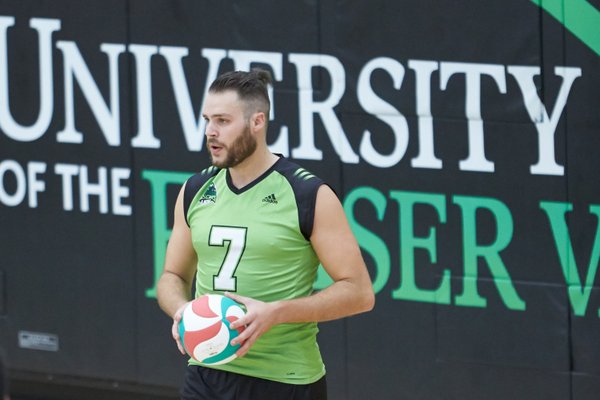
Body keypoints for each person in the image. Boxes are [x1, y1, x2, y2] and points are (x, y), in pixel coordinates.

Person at [156, 69, 375, 400]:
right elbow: (171, 276)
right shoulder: (196, 189)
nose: (210, 132)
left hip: (284, 380)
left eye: (222, 121)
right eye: (207, 120)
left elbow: (359, 293)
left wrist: (274, 313)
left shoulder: (306, 193)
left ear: (257, 122)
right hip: (206, 372)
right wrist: (181, 310)